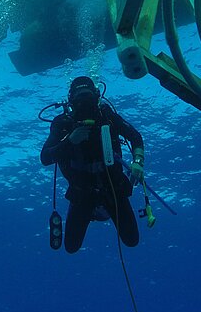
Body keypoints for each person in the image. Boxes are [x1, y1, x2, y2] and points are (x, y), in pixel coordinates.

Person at [41, 76, 146, 253]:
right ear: (71, 101)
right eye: (79, 100)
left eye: (88, 100)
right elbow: (45, 158)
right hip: (81, 192)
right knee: (71, 247)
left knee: (132, 240)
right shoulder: (63, 123)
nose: (84, 106)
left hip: (114, 187)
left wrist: (138, 162)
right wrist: (70, 141)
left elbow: (135, 137)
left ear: (97, 98)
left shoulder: (107, 116)